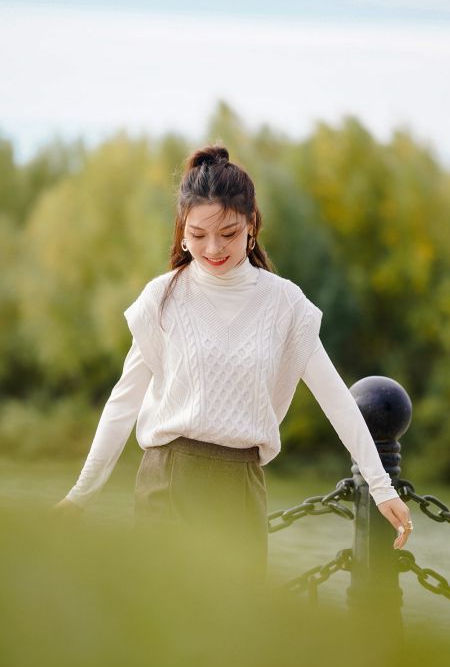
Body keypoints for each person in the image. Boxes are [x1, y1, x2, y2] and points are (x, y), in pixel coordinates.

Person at [52, 144, 413, 577]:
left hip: (241, 488)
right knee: (161, 634)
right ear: (182, 231)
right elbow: (122, 404)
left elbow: (337, 400)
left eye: (228, 233)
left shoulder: (285, 305)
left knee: (232, 638)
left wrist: (381, 486)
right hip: (168, 481)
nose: (213, 247)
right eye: (198, 234)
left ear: (251, 226)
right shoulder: (163, 298)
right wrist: (79, 496)